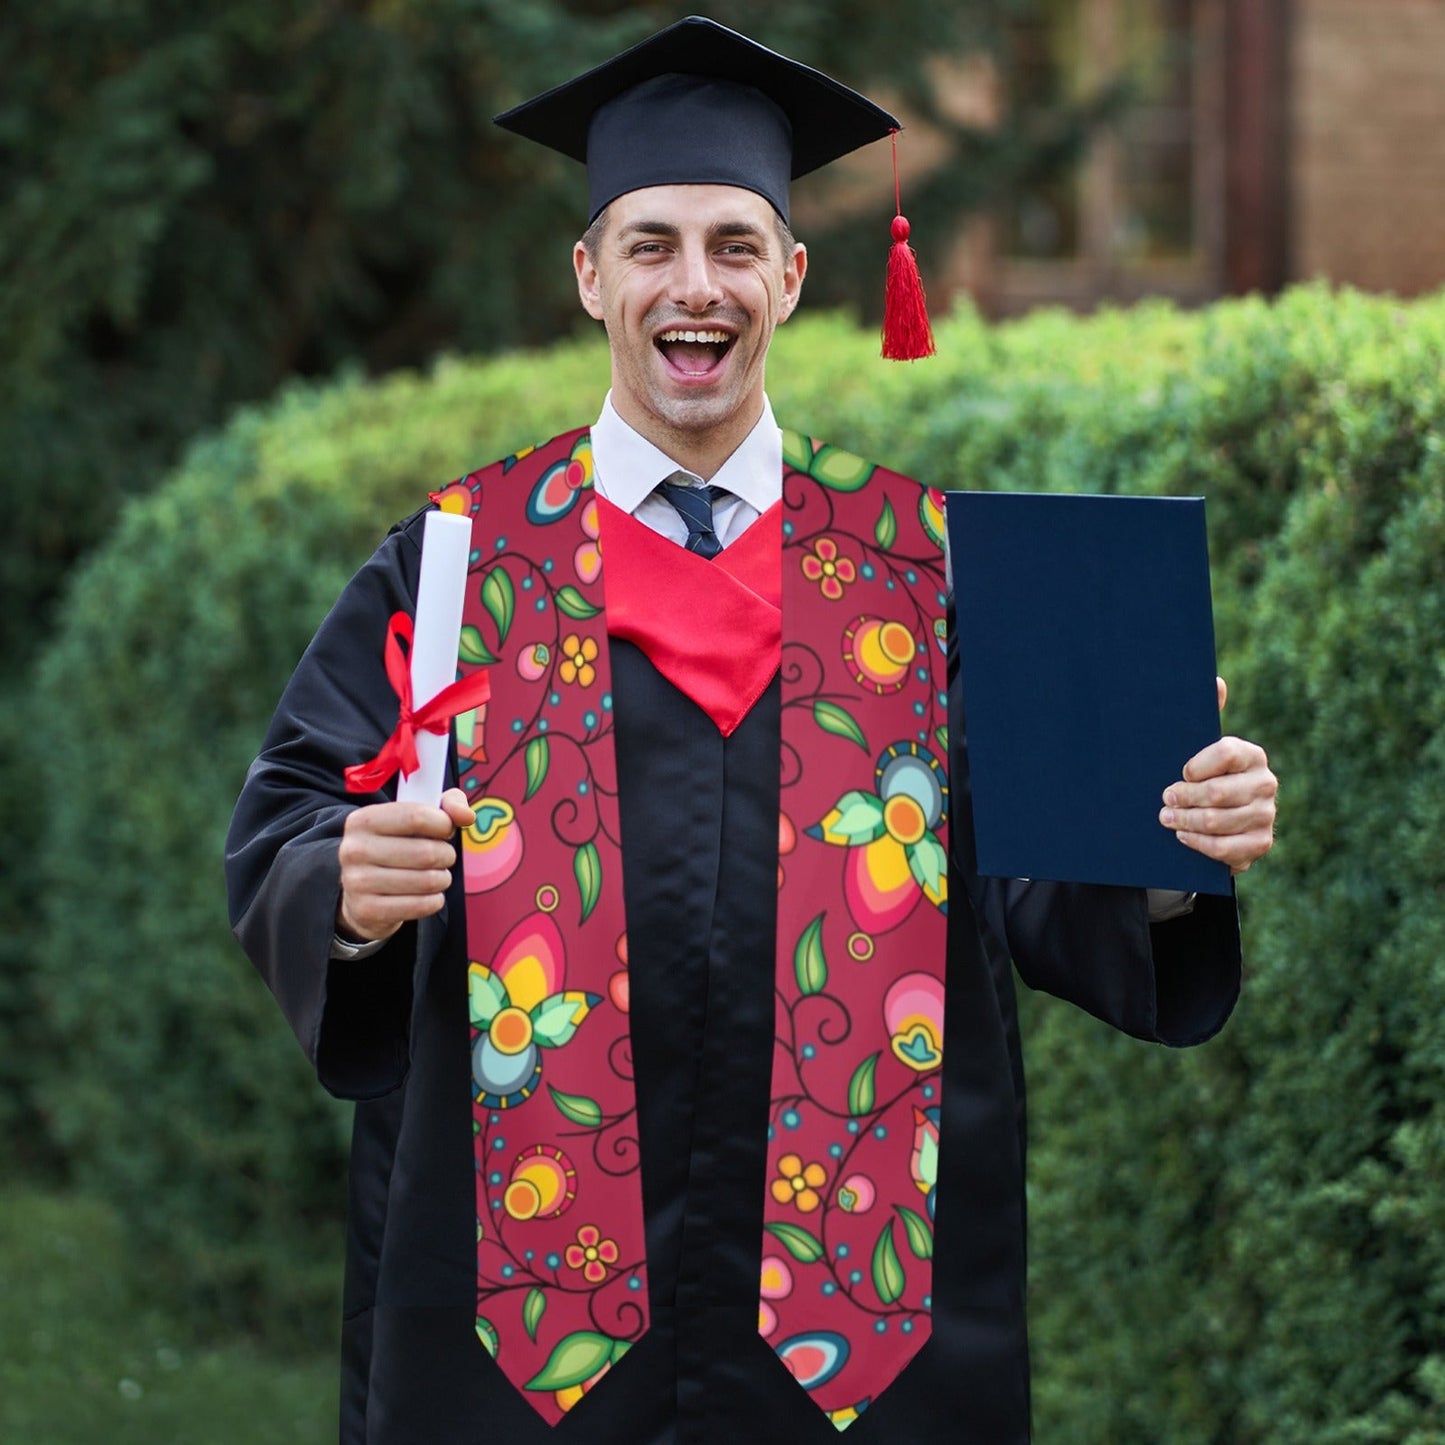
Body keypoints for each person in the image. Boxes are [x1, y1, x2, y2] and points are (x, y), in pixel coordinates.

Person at [225, 17, 1277, 1445]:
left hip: (860, 1324)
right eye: (650, 244)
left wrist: (1166, 843)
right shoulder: (462, 565)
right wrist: (341, 888)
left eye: (732, 244)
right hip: (526, 1323)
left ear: (789, 275)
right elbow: (289, 818)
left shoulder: (927, 569)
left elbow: (1039, 884)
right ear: (589, 275)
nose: (692, 285)